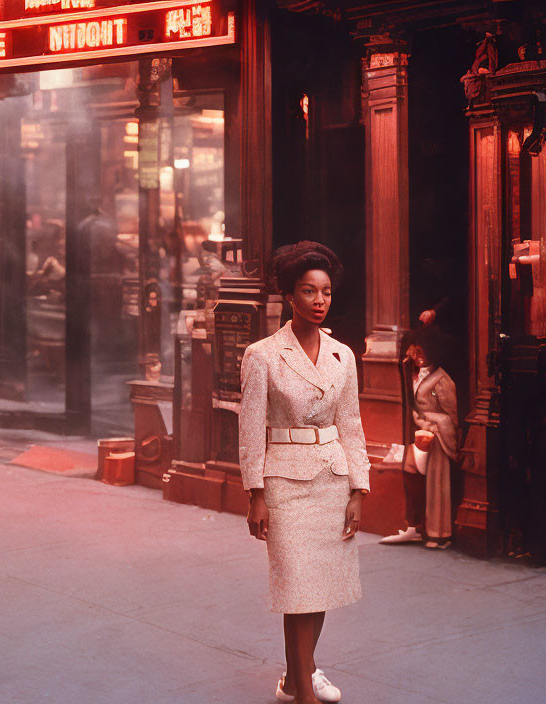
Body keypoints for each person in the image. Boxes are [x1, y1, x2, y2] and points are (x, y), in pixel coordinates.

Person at [240, 241, 370, 704]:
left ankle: (299, 676)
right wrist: (254, 493)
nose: (319, 301)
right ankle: (304, 695)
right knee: (296, 587)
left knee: (320, 588)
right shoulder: (263, 354)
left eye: (326, 292)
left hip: (333, 481)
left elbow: (351, 424)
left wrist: (359, 487)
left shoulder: (343, 355)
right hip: (285, 484)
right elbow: (251, 428)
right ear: (289, 296)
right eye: (308, 291)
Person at [380, 326, 459, 549]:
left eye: (423, 352)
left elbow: (450, 417)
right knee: (414, 478)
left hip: (437, 439)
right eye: (416, 352)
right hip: (419, 437)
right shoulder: (415, 373)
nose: (418, 357)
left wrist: (425, 420)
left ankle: (439, 534)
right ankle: (416, 527)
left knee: (437, 486)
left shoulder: (442, 379)